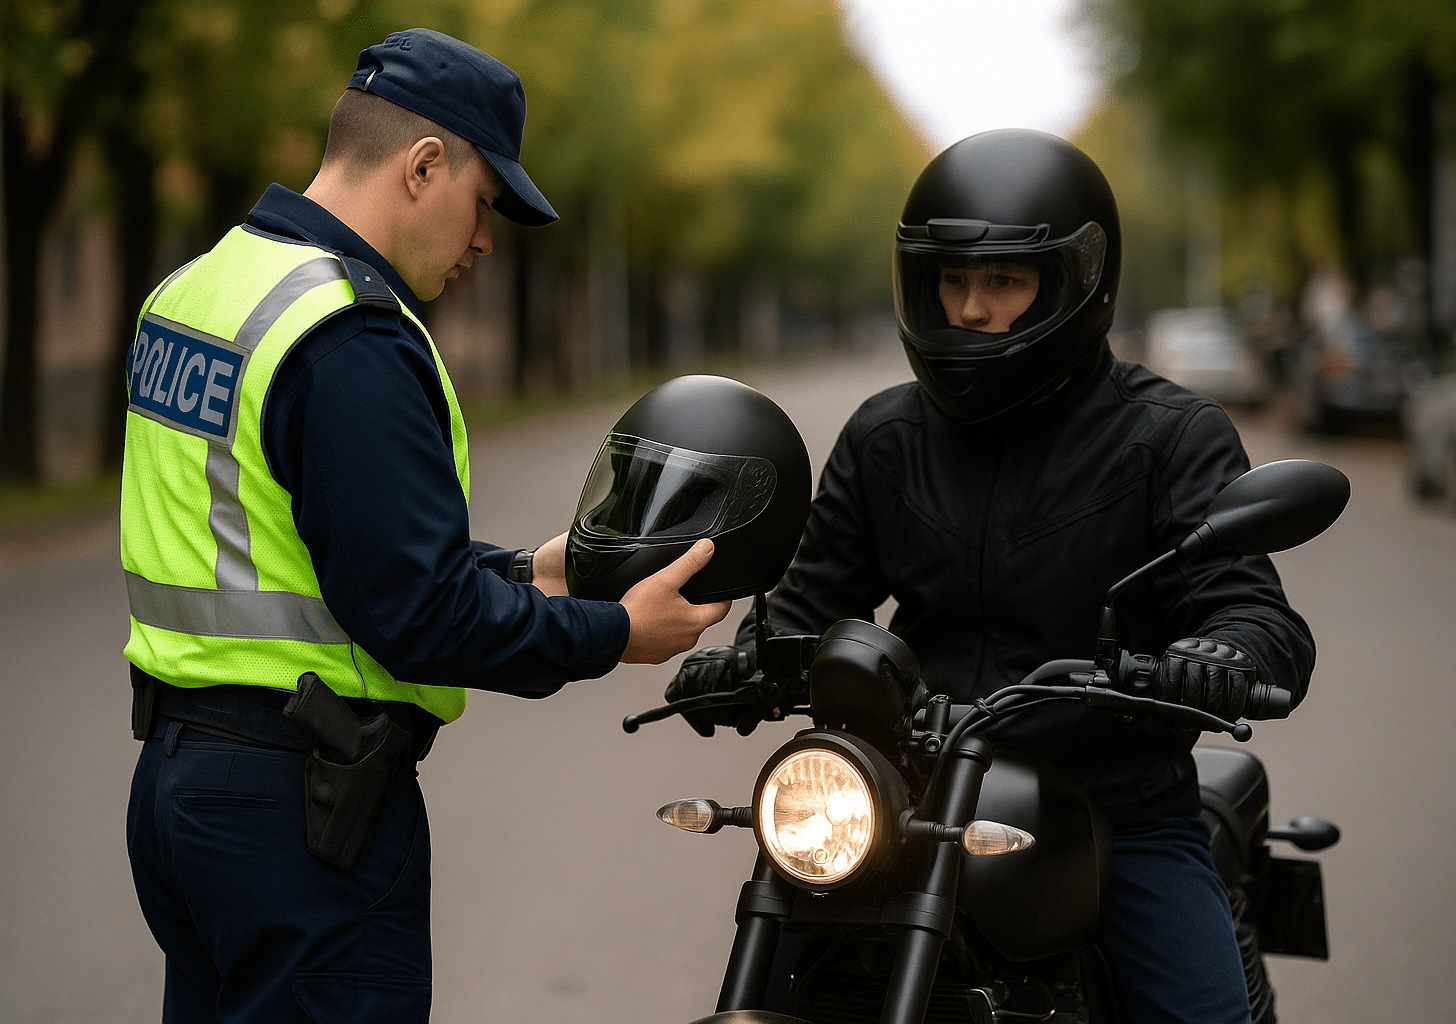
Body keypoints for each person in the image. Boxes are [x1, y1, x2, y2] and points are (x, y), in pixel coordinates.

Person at [121, 27, 728, 1023]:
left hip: (180, 792)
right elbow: (418, 616)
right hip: (303, 815)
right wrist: (616, 632)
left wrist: (524, 571)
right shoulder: (349, 334)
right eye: (484, 203)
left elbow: (306, 545)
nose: (485, 241)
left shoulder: (195, 292)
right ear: (423, 164)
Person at [667, 129, 1314, 1024]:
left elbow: (1253, 610)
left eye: (1004, 281)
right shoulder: (885, 438)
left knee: (1200, 1015)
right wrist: (750, 658)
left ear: (1075, 282)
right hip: (909, 801)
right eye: (951, 279)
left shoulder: (1170, 439)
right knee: (775, 964)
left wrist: (1223, 653)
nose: (970, 307)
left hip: (1116, 807)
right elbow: (813, 599)